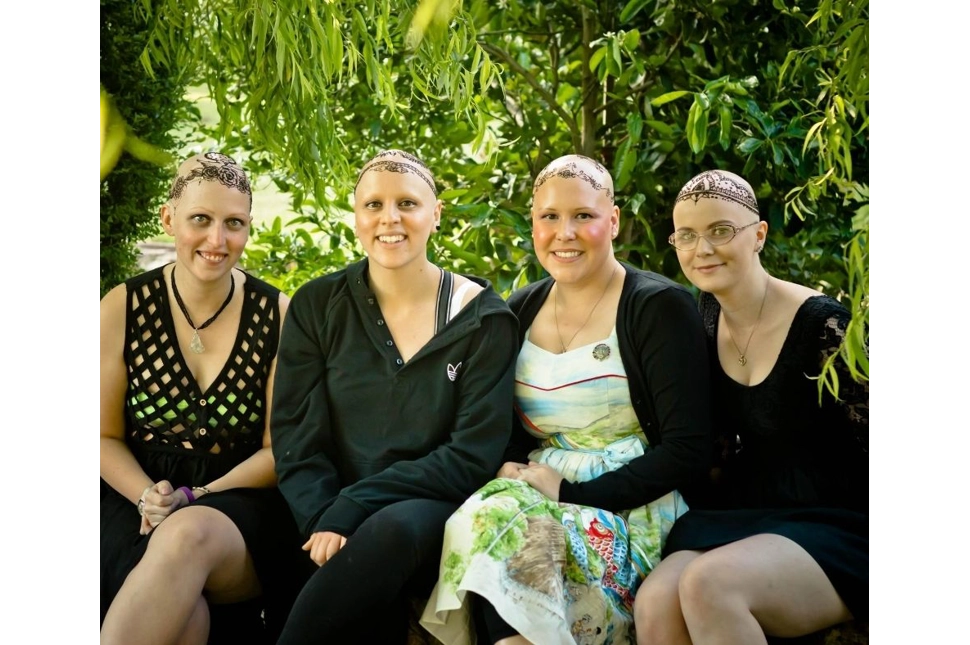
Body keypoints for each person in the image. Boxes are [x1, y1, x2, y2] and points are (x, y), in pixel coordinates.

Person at [420, 154, 714, 645]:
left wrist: (574, 496)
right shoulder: (520, 308)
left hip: (633, 506)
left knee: (508, 526)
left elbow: (689, 449)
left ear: (613, 221)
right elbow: (500, 424)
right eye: (550, 217)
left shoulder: (657, 308)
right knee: (487, 518)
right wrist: (507, 464)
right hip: (539, 493)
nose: (565, 233)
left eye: (583, 216)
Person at [270, 149, 519, 644]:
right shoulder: (318, 305)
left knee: (392, 529)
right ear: (356, 215)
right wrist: (325, 519)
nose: (390, 219)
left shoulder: (483, 319)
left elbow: (472, 455)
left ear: (436, 214)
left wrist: (353, 507)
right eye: (374, 205)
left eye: (407, 203)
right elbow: (297, 434)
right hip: (328, 509)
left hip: (429, 507)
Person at [633, 169, 869, 644]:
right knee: (655, 600)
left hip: (837, 521)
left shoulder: (824, 327)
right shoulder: (703, 315)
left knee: (710, 584)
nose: (702, 249)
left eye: (720, 231)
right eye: (686, 235)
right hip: (744, 513)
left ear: (759, 234)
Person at [100, 152, 309, 645]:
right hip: (134, 496)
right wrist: (149, 497)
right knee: (185, 616)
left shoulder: (278, 315)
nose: (217, 241)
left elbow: (278, 451)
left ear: (249, 228)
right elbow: (104, 436)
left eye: (234, 223)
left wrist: (196, 496)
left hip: (238, 502)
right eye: (201, 219)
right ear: (168, 219)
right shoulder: (121, 307)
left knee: (186, 534)